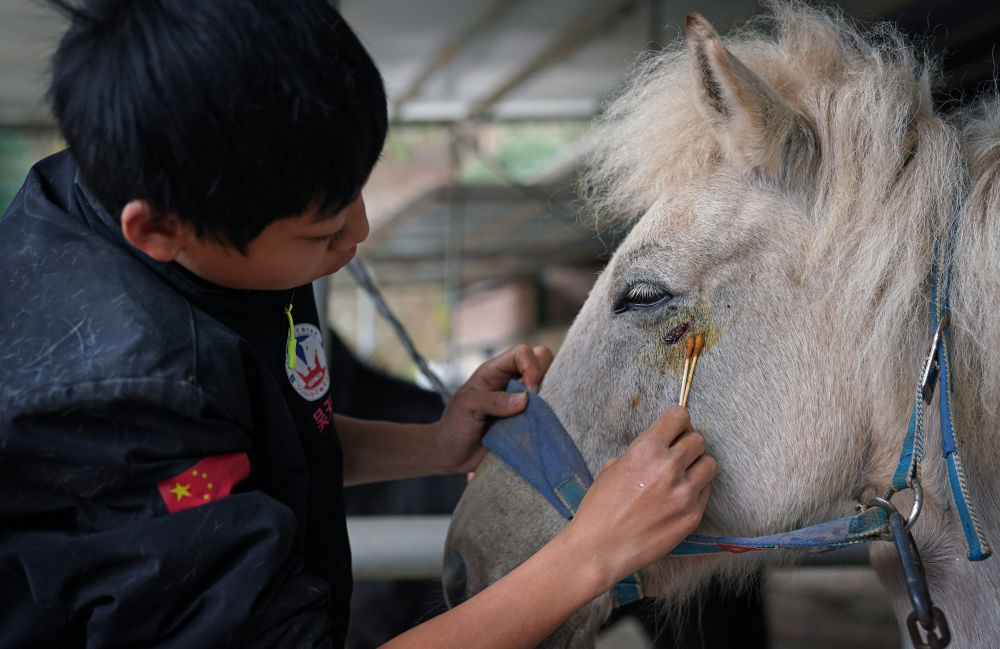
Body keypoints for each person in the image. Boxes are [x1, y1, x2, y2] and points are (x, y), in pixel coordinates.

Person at [0, 1, 717, 648]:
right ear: (159, 229)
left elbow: (256, 435)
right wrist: (590, 554)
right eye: (321, 231)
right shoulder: (109, 402)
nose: (358, 233)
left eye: (353, 197)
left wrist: (434, 444)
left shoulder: (165, 178)